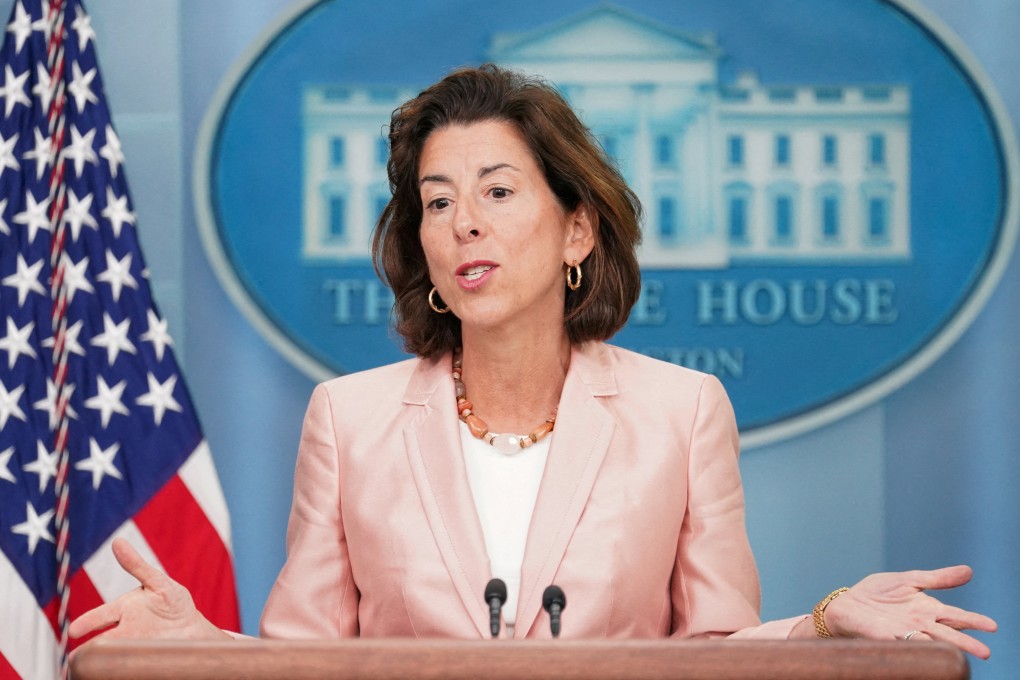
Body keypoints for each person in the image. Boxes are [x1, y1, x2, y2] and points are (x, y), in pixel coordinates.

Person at [69, 64, 996, 655]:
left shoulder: (683, 412)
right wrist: (201, 646)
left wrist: (824, 617)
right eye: (436, 202)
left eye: (498, 191)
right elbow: (307, 657)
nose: (463, 219)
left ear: (577, 229)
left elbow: (721, 652)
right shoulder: (348, 419)